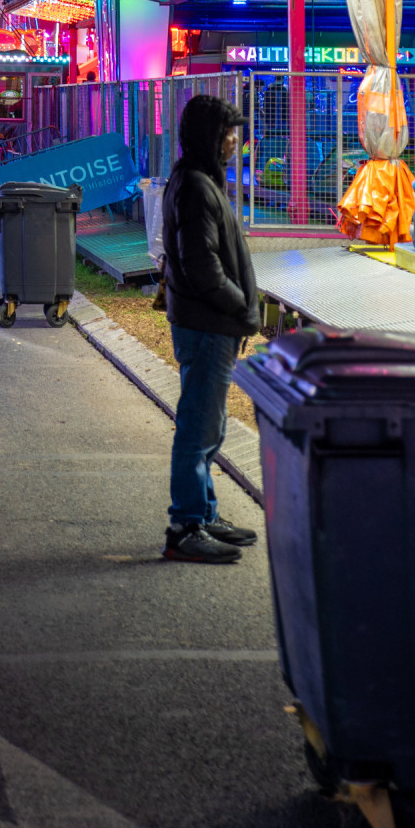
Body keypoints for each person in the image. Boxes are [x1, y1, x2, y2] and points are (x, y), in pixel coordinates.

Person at [161, 93, 261, 564]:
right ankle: (185, 526)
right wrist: (241, 306)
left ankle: (202, 513)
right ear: (209, 135)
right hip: (208, 325)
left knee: (209, 426)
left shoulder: (199, 179)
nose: (234, 140)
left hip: (208, 324)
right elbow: (203, 266)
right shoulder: (197, 186)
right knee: (198, 429)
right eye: (227, 132)